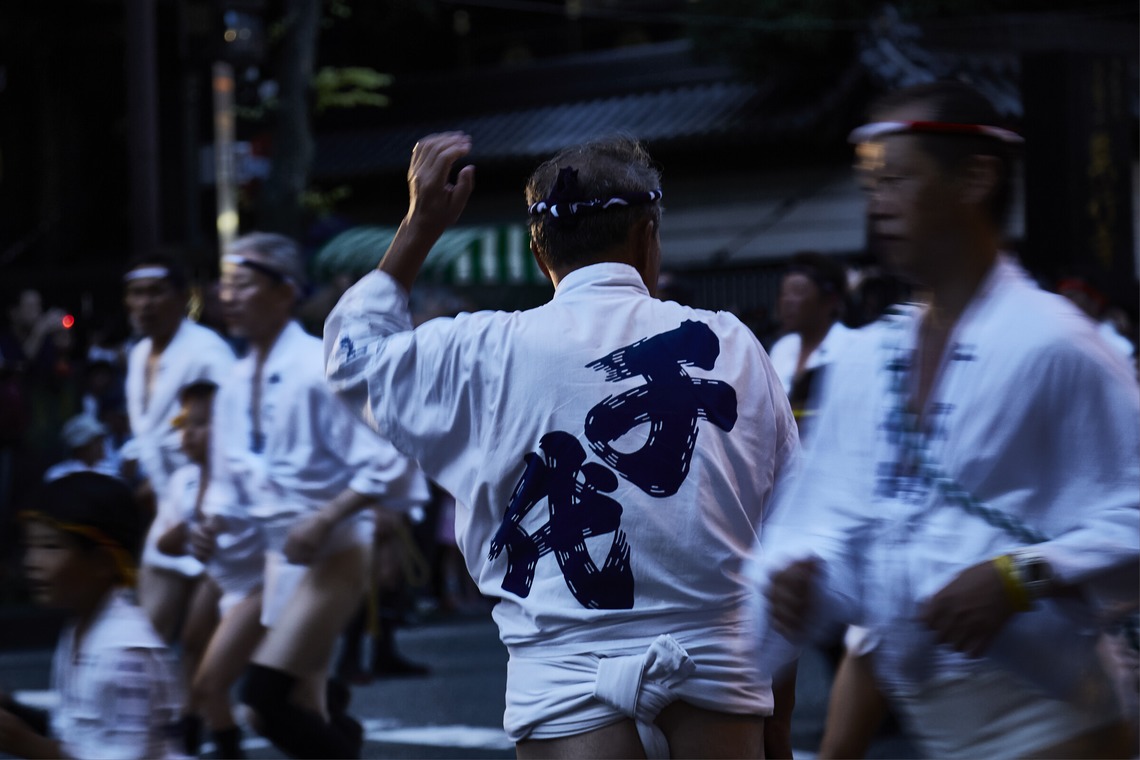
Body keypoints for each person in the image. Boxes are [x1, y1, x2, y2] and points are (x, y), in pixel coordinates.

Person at [324, 132, 799, 758]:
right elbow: (790, 535)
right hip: (712, 666)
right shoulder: (732, 344)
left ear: (537, 248)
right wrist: (779, 723)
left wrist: (419, 225)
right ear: (646, 238)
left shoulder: (480, 350)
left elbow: (351, 360)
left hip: (562, 671)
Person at [757, 80, 1140, 759]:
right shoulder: (870, 358)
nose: (879, 205)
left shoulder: (1056, 344)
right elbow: (836, 523)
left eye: (897, 179)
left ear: (977, 178)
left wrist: (1021, 575)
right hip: (928, 709)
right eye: (870, 184)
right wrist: (803, 576)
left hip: (1051, 716)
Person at [203, 231, 430, 759]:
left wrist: (327, 518)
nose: (229, 295)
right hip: (279, 557)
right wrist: (210, 522)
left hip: (334, 551)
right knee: (289, 704)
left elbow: (386, 458)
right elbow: (229, 480)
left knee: (266, 701)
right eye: (226, 285)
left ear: (285, 292)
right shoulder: (236, 380)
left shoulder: (314, 367)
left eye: (243, 284)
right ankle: (340, 732)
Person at [0, 472, 186, 759]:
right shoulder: (81, 626)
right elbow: (79, 729)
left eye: (50, 546)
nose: (32, 562)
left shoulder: (124, 654)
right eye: (31, 546)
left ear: (102, 562)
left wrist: (27, 744)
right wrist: (14, 708)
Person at [121, 253, 236, 647]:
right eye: (136, 293)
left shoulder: (208, 352)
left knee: (200, 642)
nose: (145, 303)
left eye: (155, 292)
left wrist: (207, 494)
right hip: (170, 508)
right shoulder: (137, 356)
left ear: (183, 297)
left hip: (213, 509)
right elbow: (148, 434)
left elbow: (231, 429)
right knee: (145, 634)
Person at [155, 379, 265, 758]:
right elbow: (163, 543)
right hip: (224, 577)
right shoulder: (184, 482)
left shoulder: (241, 469)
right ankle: (195, 722)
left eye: (200, 424)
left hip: (264, 578)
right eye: (184, 425)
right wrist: (191, 529)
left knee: (275, 690)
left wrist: (210, 525)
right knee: (194, 648)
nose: (189, 435)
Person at [766, 251, 854, 438]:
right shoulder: (782, 348)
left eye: (798, 291)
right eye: (784, 293)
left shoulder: (851, 348)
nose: (787, 301)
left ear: (831, 300)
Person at [43, 413, 121, 482]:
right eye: (97, 441)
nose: (102, 445)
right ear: (83, 446)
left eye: (101, 441)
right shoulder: (58, 476)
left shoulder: (110, 473)